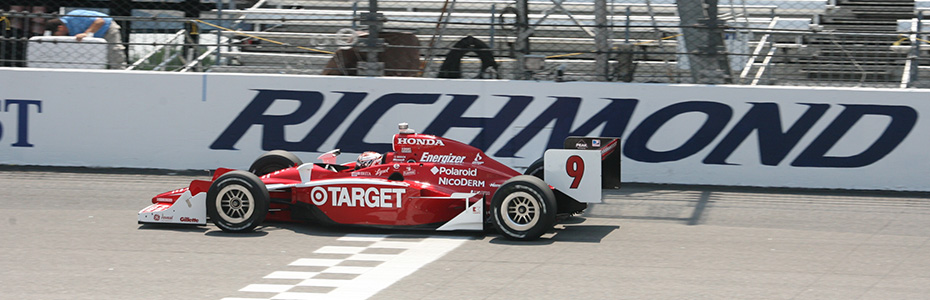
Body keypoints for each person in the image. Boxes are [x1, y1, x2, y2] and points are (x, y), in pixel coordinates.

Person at [45, 10, 125, 69]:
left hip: (107, 29)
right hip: (93, 35)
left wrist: (86, 33)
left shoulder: (75, 16)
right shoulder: (67, 30)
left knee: (114, 52)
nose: (58, 37)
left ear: (60, 28)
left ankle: (120, 71)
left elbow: (100, 21)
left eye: (56, 34)